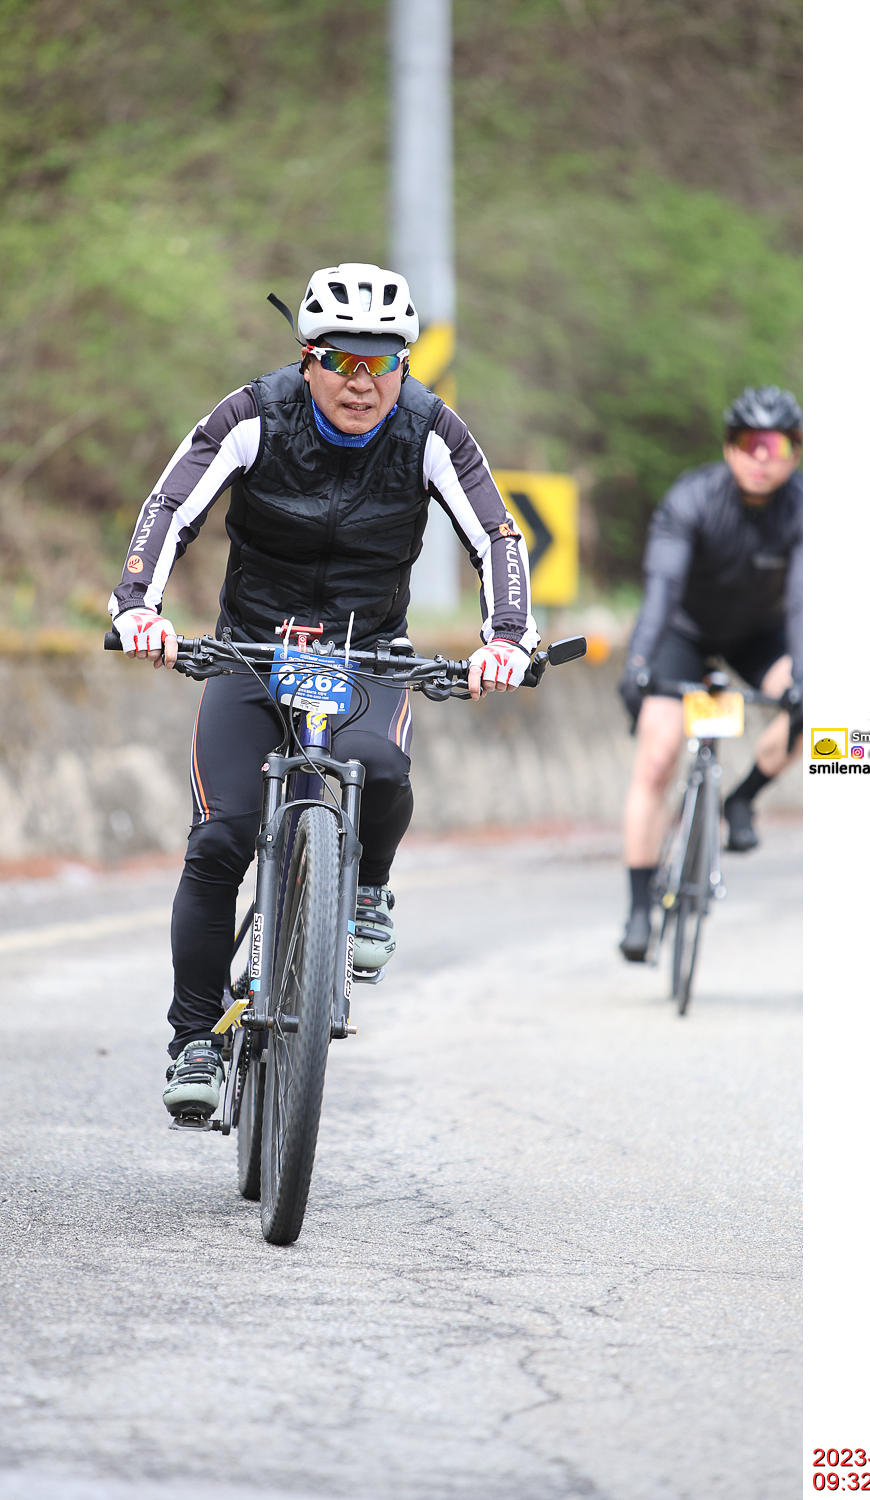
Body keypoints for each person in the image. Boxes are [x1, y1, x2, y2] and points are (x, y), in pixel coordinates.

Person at [107, 262, 539, 1119]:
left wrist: (508, 637)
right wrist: (137, 608)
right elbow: (169, 506)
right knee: (220, 839)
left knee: (381, 767)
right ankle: (194, 1040)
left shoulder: (431, 429)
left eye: (383, 363)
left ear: (406, 367)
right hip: (251, 652)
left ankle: (368, 888)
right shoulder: (253, 414)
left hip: (366, 653)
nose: (362, 382)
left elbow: (496, 533)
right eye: (342, 360)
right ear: (308, 360)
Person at [616, 386, 804, 962]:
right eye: (750, 443)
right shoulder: (692, 499)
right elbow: (662, 589)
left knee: (817, 707)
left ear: (796, 453)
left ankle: (741, 800)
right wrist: (639, 662)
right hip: (686, 634)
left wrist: (803, 678)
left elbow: (804, 604)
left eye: (777, 445)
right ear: (728, 448)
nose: (762, 457)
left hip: (759, 637)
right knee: (657, 756)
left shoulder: (804, 509)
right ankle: (639, 906)